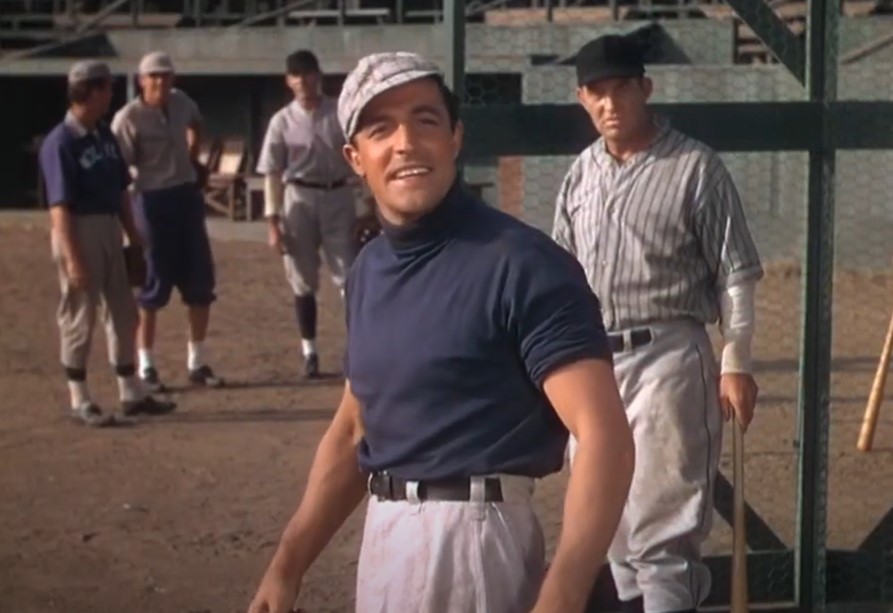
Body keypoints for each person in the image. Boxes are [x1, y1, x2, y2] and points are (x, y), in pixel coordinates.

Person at [245, 51, 636, 613]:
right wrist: (287, 564)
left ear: (454, 138)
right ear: (355, 158)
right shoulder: (367, 272)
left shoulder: (522, 264)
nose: (405, 142)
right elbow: (356, 429)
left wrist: (564, 594)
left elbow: (603, 436)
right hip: (384, 540)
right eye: (381, 128)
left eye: (425, 120)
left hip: (475, 542)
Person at [552, 35, 764, 613]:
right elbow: (561, 274)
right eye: (597, 92)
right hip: (593, 362)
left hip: (669, 354)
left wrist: (736, 361)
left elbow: (736, 272)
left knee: (660, 533)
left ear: (645, 88)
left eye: (622, 88)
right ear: (582, 98)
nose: (610, 103)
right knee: (610, 528)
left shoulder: (695, 165)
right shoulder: (580, 175)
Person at [39, 60, 176, 426]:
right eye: (106, 88)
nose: (110, 94)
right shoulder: (61, 142)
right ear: (91, 91)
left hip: (110, 228)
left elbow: (120, 191)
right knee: (79, 316)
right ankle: (79, 398)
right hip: (78, 229)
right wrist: (73, 258)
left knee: (123, 312)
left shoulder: (103, 135)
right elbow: (59, 207)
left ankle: (130, 392)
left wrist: (133, 234)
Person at [111, 50, 224, 393]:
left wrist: (194, 156)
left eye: (166, 75)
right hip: (152, 199)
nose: (161, 82)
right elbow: (121, 170)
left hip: (186, 196)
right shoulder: (128, 118)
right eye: (154, 76)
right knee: (152, 285)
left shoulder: (180, 102)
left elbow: (196, 122)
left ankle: (197, 361)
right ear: (141, 80)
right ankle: (146, 363)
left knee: (200, 281)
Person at [256, 49, 358, 379]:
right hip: (298, 196)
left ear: (319, 76)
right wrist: (273, 222)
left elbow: (360, 157)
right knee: (302, 278)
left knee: (350, 275)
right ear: (288, 81)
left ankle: (359, 349)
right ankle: (310, 352)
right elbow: (271, 172)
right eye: (295, 75)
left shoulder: (339, 113)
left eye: (308, 74)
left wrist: (368, 206)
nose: (302, 81)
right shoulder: (281, 120)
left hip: (338, 193)